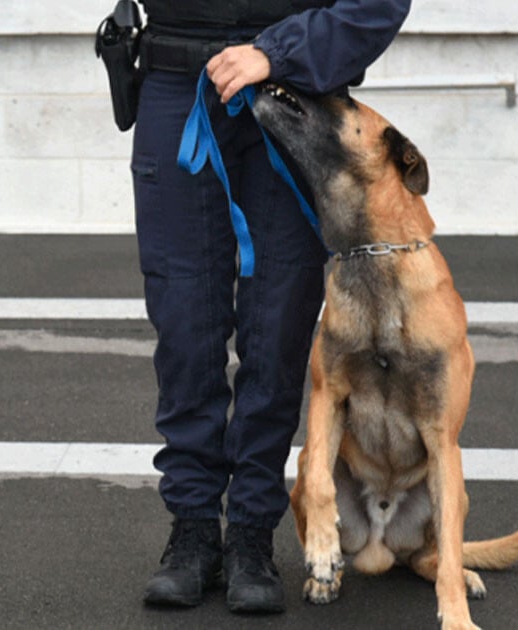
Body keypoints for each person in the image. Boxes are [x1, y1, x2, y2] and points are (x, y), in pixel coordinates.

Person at [129, 0, 412, 614]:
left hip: (293, 97)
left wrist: (276, 52)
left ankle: (251, 532)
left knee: (278, 324)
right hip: (178, 79)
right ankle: (193, 527)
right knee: (182, 316)